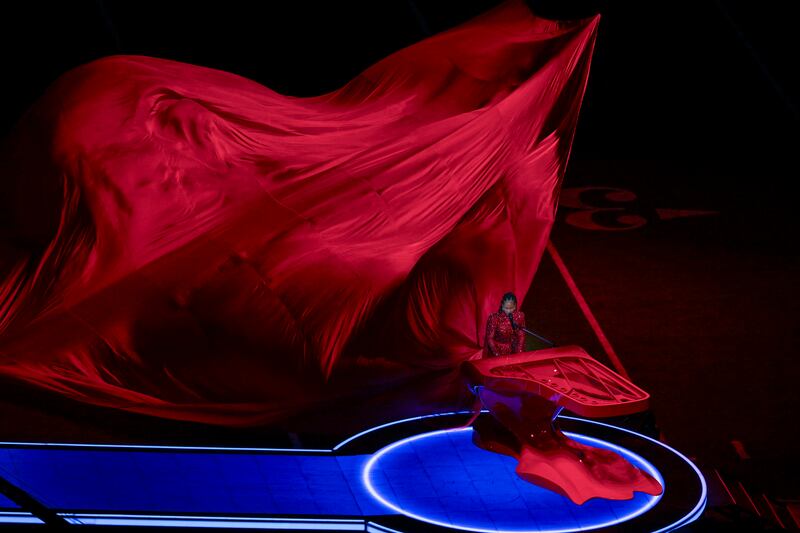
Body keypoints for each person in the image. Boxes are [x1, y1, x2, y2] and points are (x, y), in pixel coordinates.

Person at [484, 292, 526, 357]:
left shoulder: (520, 316)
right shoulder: (494, 318)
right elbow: (489, 338)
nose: (509, 311)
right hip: (497, 350)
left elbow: (521, 335)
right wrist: (497, 354)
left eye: (511, 308)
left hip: (512, 349)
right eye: (506, 308)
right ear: (502, 305)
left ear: (515, 306)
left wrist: (519, 351)